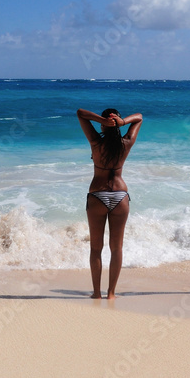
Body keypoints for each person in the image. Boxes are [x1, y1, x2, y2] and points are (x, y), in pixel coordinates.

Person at [77, 108, 142, 299]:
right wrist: (122, 122)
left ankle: (97, 293)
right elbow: (139, 117)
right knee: (117, 248)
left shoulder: (96, 142)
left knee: (96, 248)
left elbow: (80, 113)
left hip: (97, 195)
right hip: (120, 196)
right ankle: (111, 293)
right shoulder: (126, 143)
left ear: (103, 125)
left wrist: (102, 120)